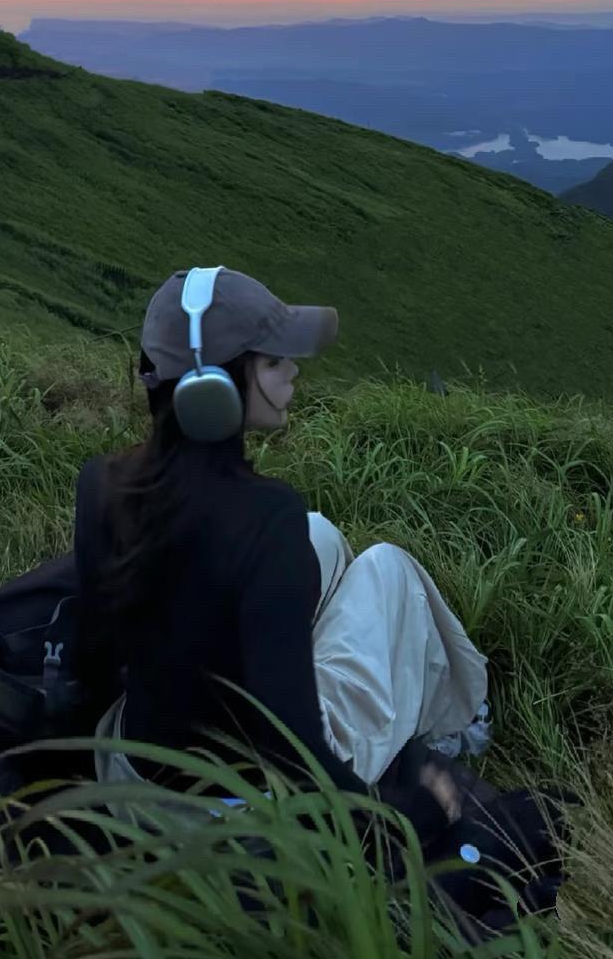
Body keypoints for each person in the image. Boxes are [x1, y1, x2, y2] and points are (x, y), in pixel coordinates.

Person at [72, 266, 491, 835]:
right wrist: (393, 814)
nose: (293, 371)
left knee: (321, 534)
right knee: (389, 571)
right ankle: (459, 725)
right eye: (272, 361)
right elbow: (292, 753)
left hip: (131, 777)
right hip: (236, 812)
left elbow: (94, 658)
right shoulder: (267, 520)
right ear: (211, 388)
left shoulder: (102, 482)